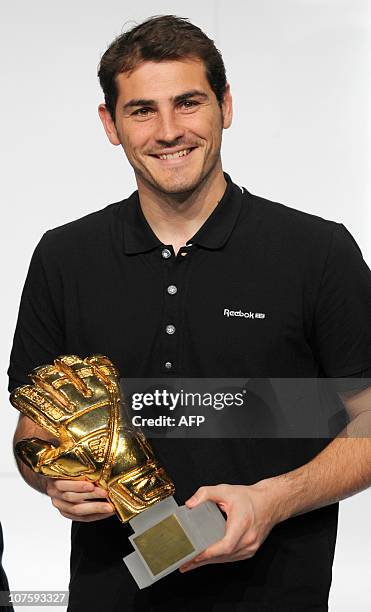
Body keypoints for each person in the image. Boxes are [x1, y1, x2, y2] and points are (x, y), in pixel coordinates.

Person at [8, 14, 371, 612]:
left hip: (275, 595)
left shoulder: (316, 251)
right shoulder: (64, 256)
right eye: (142, 110)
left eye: (188, 103)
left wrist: (273, 500)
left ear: (225, 106)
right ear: (110, 124)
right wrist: (51, 476)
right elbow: (34, 427)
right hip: (110, 595)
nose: (169, 130)